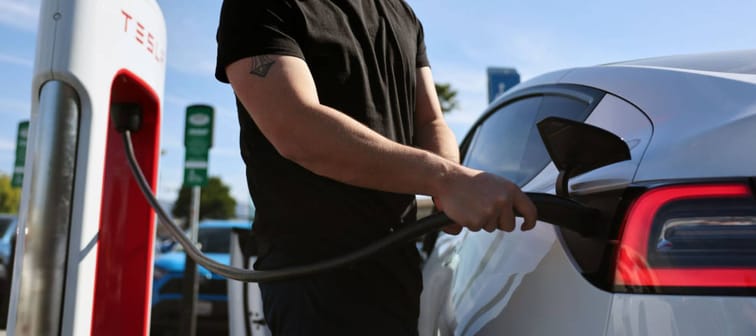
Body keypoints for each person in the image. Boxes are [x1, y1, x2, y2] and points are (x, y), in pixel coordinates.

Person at [215, 0, 537, 335]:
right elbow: (294, 126)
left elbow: (430, 121)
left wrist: (447, 190)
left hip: (397, 266)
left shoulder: (401, 13)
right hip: (315, 273)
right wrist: (446, 179)